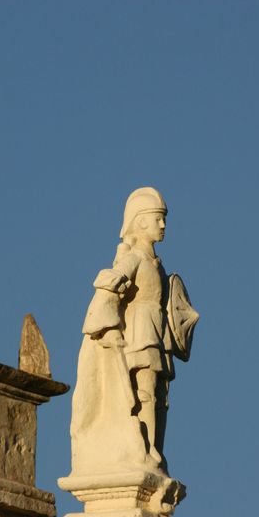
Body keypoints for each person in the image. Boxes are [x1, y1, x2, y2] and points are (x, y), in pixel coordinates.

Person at [69, 187, 197, 481]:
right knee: (146, 392)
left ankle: (155, 451)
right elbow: (110, 282)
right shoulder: (134, 258)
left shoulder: (157, 264)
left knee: (161, 397)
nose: (163, 226)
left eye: (163, 219)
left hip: (158, 332)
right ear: (140, 222)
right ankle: (146, 448)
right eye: (157, 219)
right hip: (140, 331)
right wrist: (106, 324)